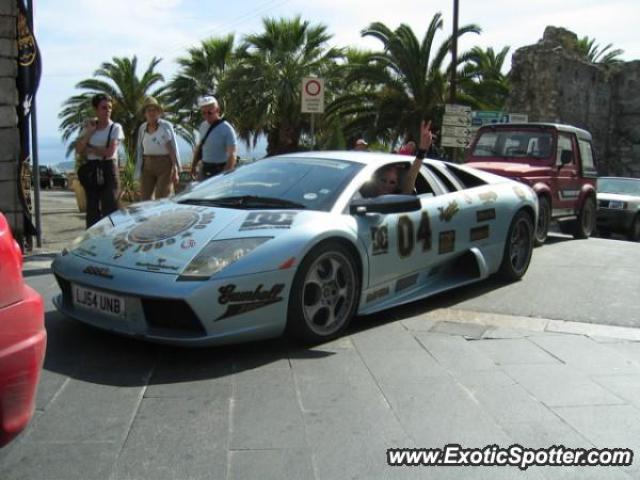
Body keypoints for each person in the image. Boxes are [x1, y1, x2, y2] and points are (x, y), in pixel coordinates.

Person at [75, 93, 124, 228]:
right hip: (92, 169)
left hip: (109, 169)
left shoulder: (115, 128)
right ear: (96, 109)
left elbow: (109, 152)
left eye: (109, 107)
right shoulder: (89, 126)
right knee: (92, 208)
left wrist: (90, 148)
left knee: (110, 206)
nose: (107, 110)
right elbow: (79, 149)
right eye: (104, 107)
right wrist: (90, 132)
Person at [134, 97, 181, 200]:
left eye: (154, 110)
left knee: (162, 197)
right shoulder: (142, 128)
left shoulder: (165, 126)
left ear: (158, 112)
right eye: (149, 110)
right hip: (147, 165)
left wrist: (175, 168)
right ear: (145, 113)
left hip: (164, 165)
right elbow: (140, 149)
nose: (152, 113)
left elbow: (172, 148)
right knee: (145, 198)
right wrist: (138, 171)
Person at [371, 120, 432, 197]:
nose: (386, 186)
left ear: (397, 185)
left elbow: (411, 178)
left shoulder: (399, 199)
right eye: (383, 180)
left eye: (392, 182)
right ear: (376, 181)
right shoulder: (362, 196)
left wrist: (422, 151)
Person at [190, 95, 237, 180]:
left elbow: (232, 155)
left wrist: (224, 175)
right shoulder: (203, 126)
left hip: (220, 169)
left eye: (209, 112)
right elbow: (201, 146)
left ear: (217, 110)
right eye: (203, 113)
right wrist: (193, 165)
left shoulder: (226, 128)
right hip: (204, 168)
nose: (206, 115)